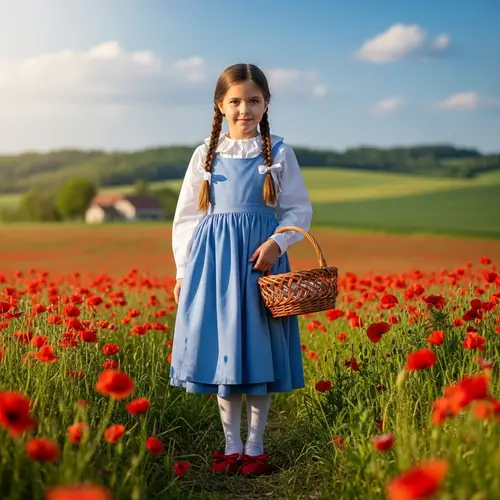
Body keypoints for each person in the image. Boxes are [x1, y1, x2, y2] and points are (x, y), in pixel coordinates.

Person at [169, 63, 312, 476]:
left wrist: (276, 244)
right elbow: (186, 218)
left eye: (253, 101)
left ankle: (256, 445)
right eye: (236, 101)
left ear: (266, 105)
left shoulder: (280, 152)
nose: (244, 109)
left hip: (261, 265)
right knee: (225, 358)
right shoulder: (206, 155)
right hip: (214, 266)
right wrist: (183, 270)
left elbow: (298, 210)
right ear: (220, 105)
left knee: (257, 356)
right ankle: (231, 445)